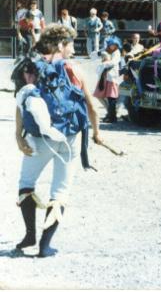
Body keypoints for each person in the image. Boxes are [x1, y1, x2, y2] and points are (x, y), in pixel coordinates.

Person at [13, 24, 102, 257]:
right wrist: (97, 133)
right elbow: (91, 105)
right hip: (68, 139)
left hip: (39, 138)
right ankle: (45, 245)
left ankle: (29, 235)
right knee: (60, 190)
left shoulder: (31, 66)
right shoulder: (74, 69)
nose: (73, 49)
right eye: (70, 44)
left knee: (26, 183)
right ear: (61, 44)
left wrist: (18, 135)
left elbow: (21, 103)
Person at [92, 37, 122, 123]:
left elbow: (113, 62)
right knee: (98, 95)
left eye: (113, 44)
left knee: (111, 98)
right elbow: (92, 56)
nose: (111, 46)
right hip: (103, 76)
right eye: (111, 44)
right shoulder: (106, 50)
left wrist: (104, 63)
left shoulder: (117, 52)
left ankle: (112, 117)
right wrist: (98, 53)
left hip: (112, 77)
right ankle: (109, 113)